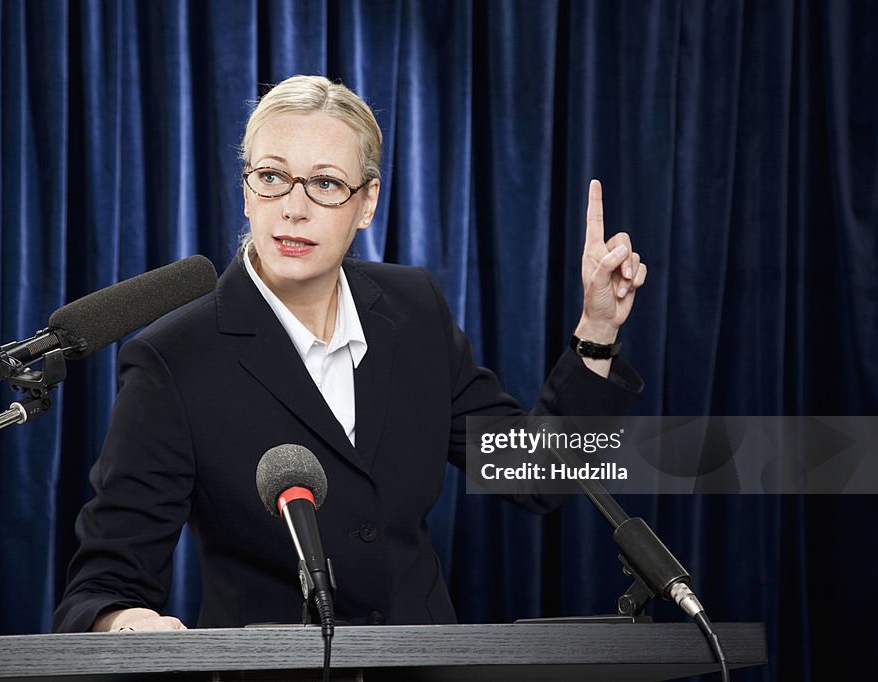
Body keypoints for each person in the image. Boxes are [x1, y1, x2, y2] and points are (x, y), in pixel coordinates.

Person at [53, 75, 647, 633]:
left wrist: (596, 330)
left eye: (327, 183)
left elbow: (536, 474)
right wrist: (129, 624)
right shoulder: (172, 358)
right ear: (246, 192)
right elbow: (104, 584)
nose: (294, 207)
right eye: (272, 177)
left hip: (423, 667)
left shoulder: (414, 310)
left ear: (367, 203)